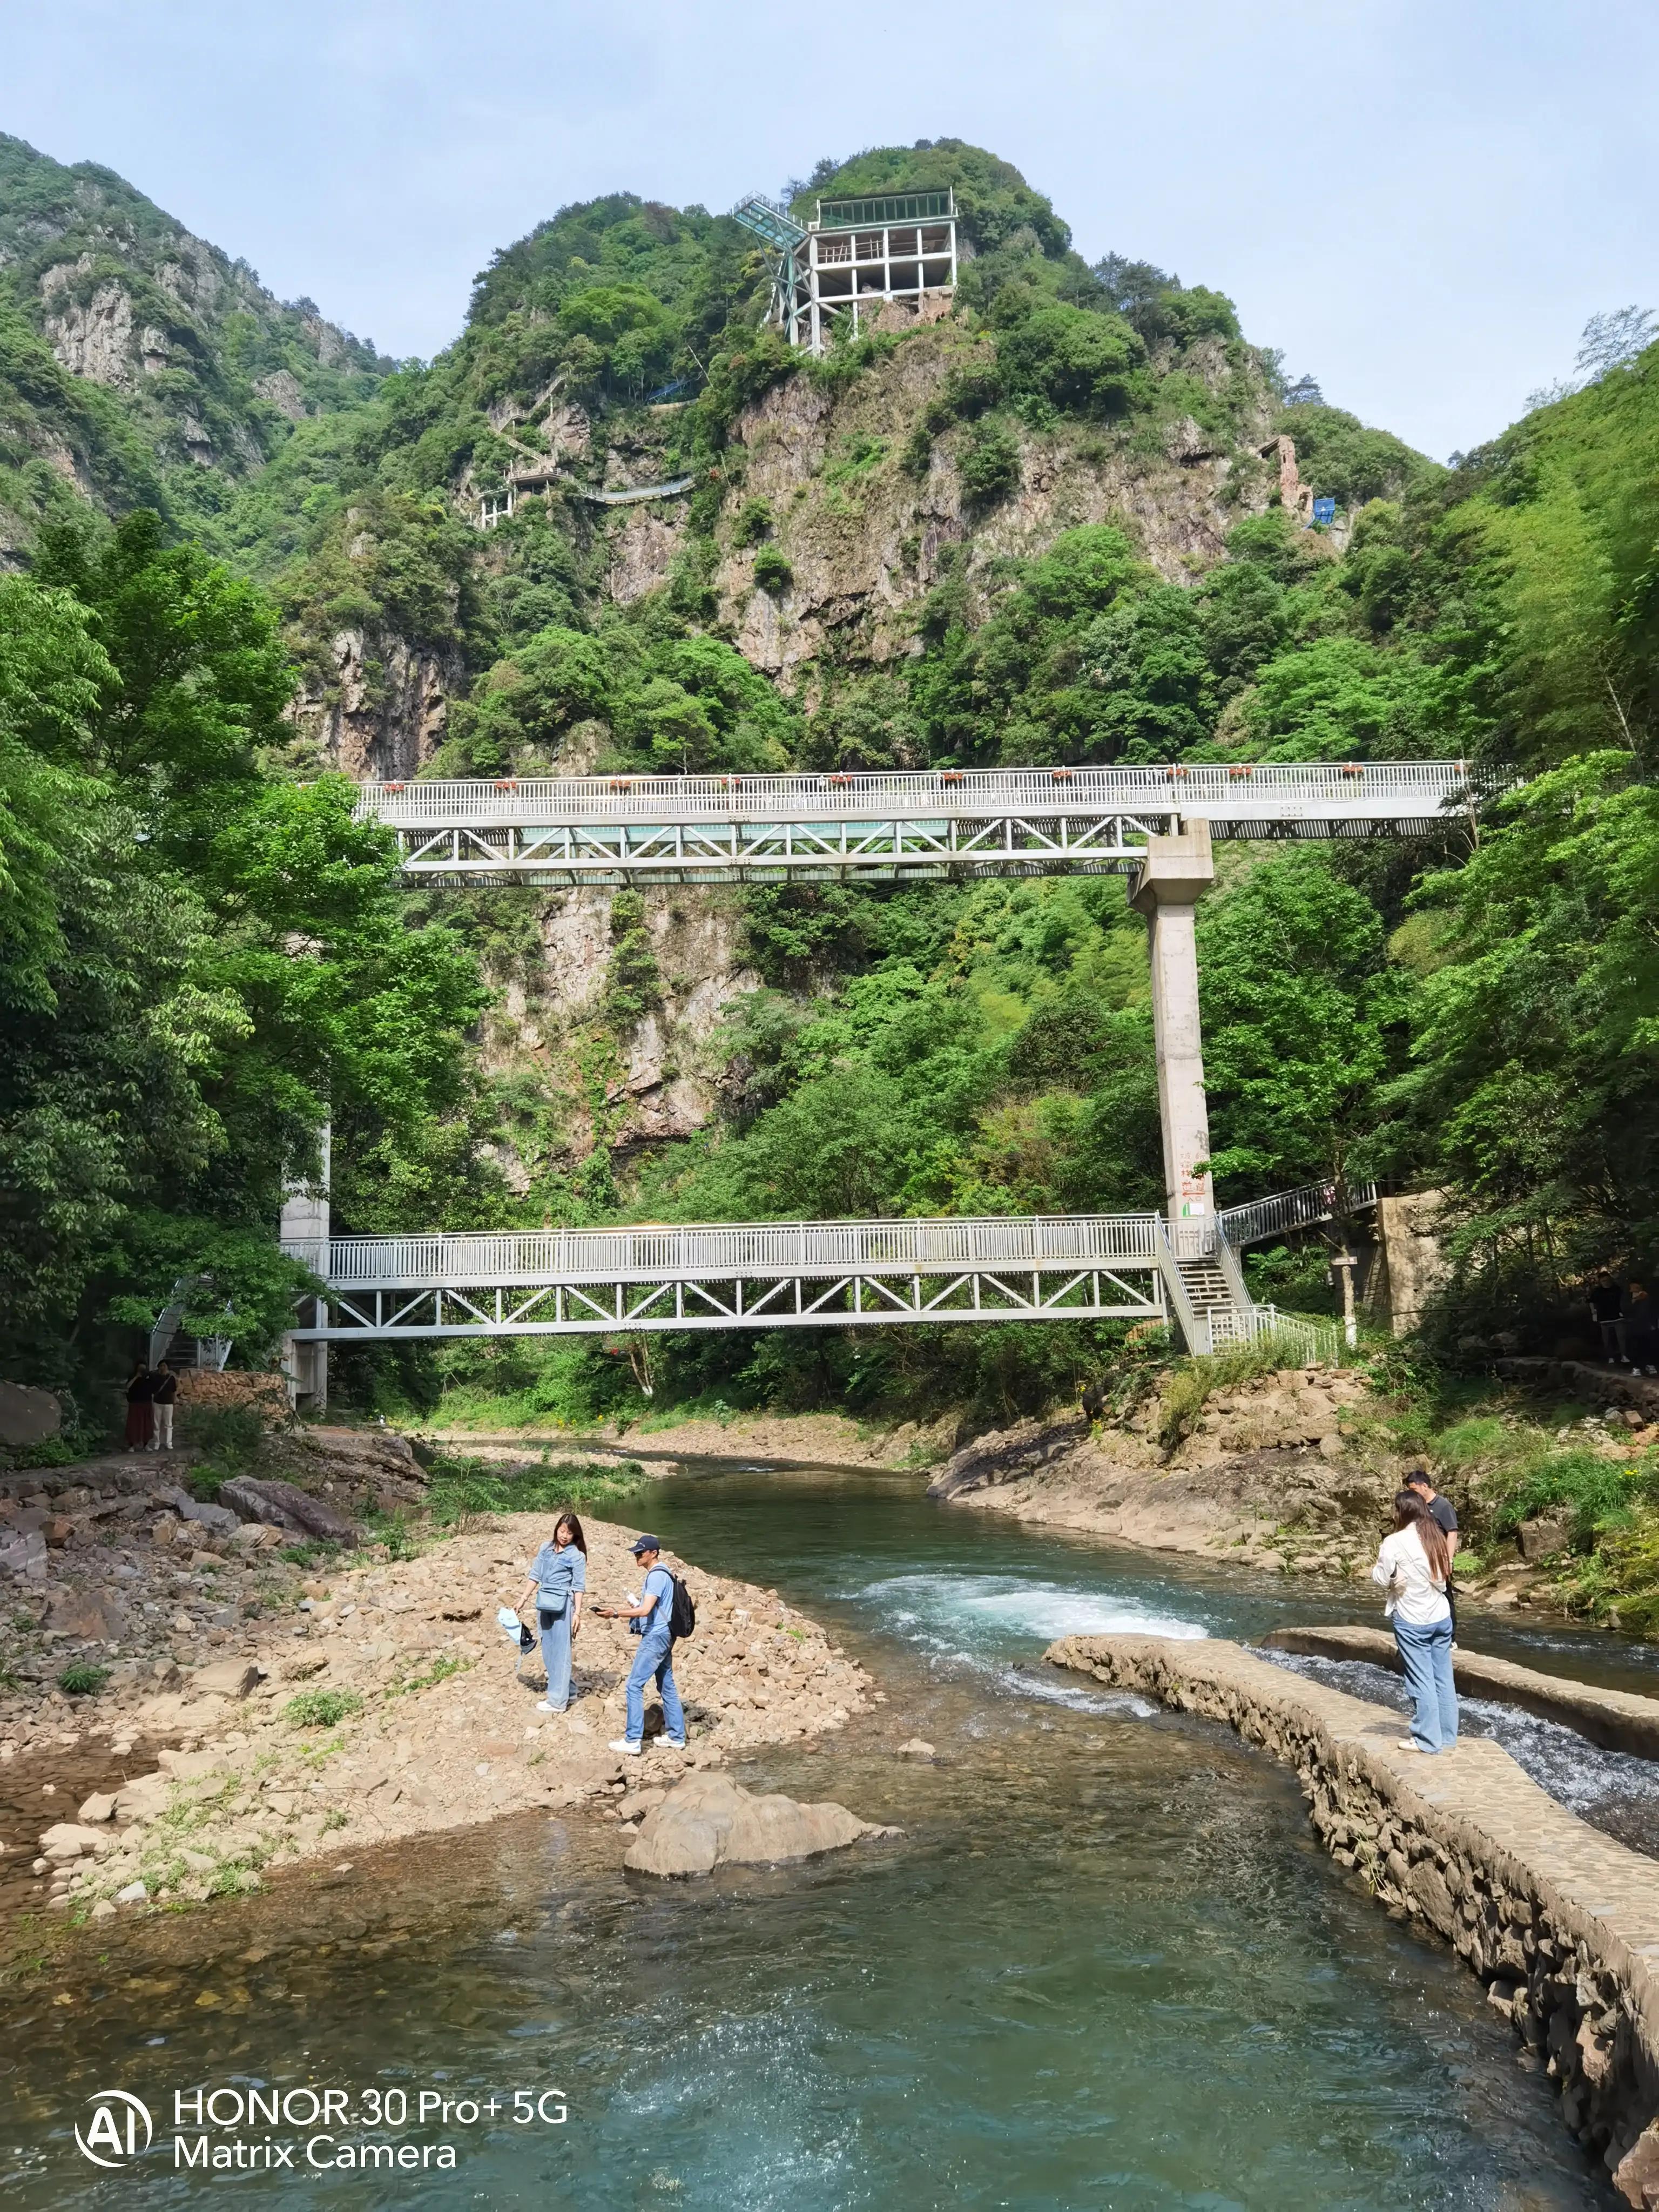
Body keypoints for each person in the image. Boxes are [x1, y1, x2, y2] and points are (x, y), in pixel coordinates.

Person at [1371, 1490, 1458, 1755]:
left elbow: (1381, 1577)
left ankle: (1426, 1740)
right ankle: (1447, 1736)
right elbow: (1443, 1579)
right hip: (1441, 1616)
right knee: (1443, 1678)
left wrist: (1382, 1572)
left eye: (1395, 1510)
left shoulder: (1394, 1542)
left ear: (1403, 1511)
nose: (1393, 1514)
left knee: (1421, 1680)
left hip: (1413, 1618)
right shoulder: (1436, 1538)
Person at [594, 1535, 685, 1757]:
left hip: (656, 1637)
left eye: (641, 1553)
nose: (637, 1556)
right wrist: (637, 1604)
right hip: (666, 1634)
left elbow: (645, 1612)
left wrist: (615, 1613)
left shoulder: (656, 1577)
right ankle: (677, 1737)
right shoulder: (665, 1573)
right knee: (667, 1685)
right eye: (636, 1553)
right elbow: (652, 1608)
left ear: (653, 1553)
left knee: (634, 1685)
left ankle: (633, 1739)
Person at [511, 1511, 587, 1715]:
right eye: (562, 1531)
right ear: (556, 1529)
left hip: (564, 1606)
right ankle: (569, 1690)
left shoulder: (577, 1556)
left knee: (561, 1652)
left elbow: (579, 1586)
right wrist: (522, 1600)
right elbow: (535, 1575)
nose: (564, 1536)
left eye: (569, 1533)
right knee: (548, 1649)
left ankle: (557, 1702)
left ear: (575, 1536)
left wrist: (577, 1614)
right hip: (545, 1603)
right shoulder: (545, 1548)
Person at [1588, 1276, 1627, 1364]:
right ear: (1600, 1282)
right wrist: (1594, 1312)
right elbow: (1591, 1301)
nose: (1606, 1282)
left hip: (1618, 1316)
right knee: (1607, 1339)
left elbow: (1623, 1299)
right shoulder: (1598, 1291)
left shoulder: (1617, 1289)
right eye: (1603, 1281)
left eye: (1607, 1280)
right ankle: (1610, 1356)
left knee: (1621, 1337)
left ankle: (1624, 1355)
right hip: (1604, 1318)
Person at [1624, 1280, 1659, 1376]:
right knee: (1635, 1347)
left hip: (1647, 1326)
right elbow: (1625, 1310)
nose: (1635, 1288)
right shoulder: (1627, 1297)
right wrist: (1635, 1300)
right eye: (1633, 1286)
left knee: (1649, 1347)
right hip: (1634, 1326)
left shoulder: (1648, 1297)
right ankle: (1636, 1368)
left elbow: (1654, 1311)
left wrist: (1653, 1324)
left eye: (1637, 1286)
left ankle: (1650, 1365)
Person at [123, 1360, 154, 1450]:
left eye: (143, 1368)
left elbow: (153, 1388)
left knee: (146, 1425)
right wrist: (136, 1377)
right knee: (134, 1425)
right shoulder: (133, 1376)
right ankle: (132, 1445)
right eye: (140, 1368)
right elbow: (128, 1386)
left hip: (146, 1402)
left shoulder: (149, 1377)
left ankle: (146, 1445)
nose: (142, 1370)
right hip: (135, 1403)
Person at [149, 1360, 178, 1451]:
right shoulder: (155, 1378)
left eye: (164, 1366)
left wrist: (175, 1399)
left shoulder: (171, 1378)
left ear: (167, 1367)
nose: (162, 1368)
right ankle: (157, 1443)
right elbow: (152, 1391)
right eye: (161, 1366)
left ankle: (169, 1443)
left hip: (169, 1403)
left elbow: (174, 1391)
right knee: (156, 1424)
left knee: (168, 1424)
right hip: (158, 1403)